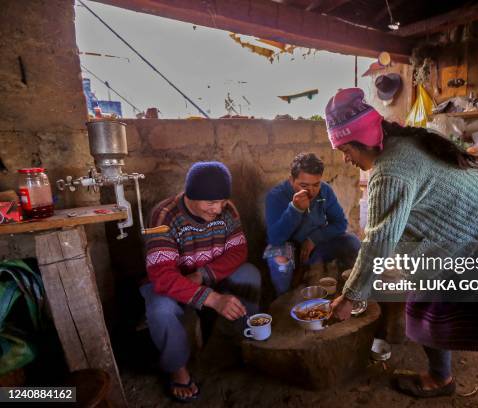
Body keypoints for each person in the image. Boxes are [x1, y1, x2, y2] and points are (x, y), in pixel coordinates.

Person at [325, 88, 478, 398]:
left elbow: (378, 241)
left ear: (362, 140)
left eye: (345, 149)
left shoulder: (389, 170)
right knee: (428, 296)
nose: (346, 159)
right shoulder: (402, 141)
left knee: (426, 303)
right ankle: (441, 375)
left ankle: (439, 379)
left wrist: (349, 296)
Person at [142, 161, 261, 402]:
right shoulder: (164, 215)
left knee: (249, 275)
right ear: (190, 196)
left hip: (209, 274)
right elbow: (162, 276)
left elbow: (238, 252)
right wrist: (212, 298)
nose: (218, 209)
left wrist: (204, 276)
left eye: (222, 201)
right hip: (172, 282)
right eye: (210, 203)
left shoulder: (228, 210)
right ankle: (178, 369)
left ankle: (243, 341)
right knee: (161, 310)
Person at [264, 152, 360, 296]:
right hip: (291, 246)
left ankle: (348, 292)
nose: (311, 191)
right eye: (304, 185)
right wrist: (295, 209)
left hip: (316, 245)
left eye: (316, 184)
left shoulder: (325, 191)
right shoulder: (276, 196)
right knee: (277, 257)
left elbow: (340, 223)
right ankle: (284, 299)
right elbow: (275, 239)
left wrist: (314, 239)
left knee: (353, 242)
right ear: (291, 180)